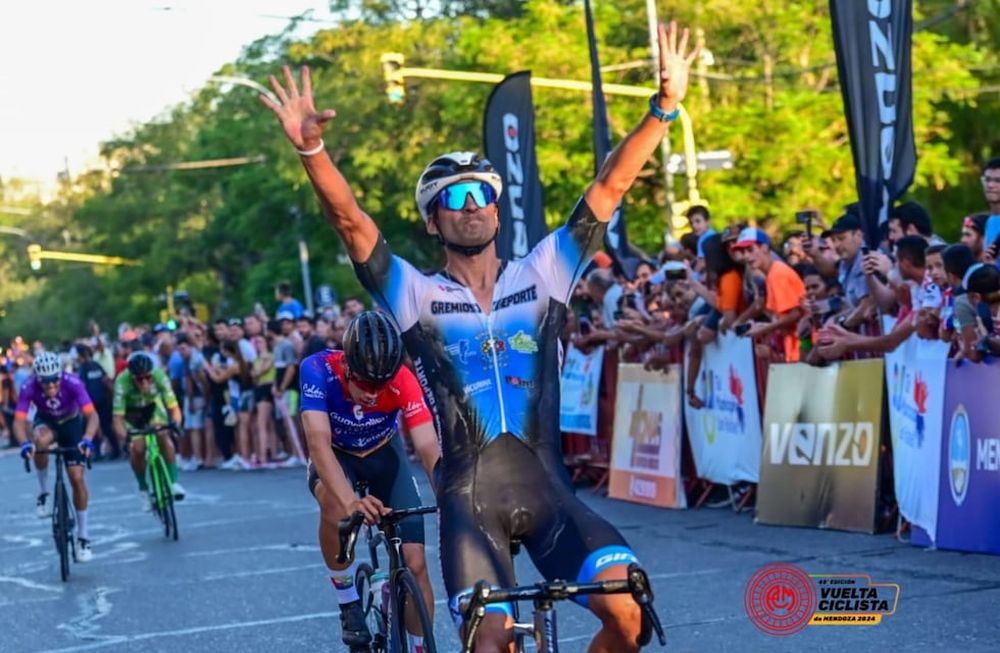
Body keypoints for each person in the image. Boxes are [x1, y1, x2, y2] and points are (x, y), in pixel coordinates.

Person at [260, 20, 697, 651]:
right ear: (433, 222)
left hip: (551, 492)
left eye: (483, 194)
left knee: (628, 609)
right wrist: (311, 151)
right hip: (471, 505)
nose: (473, 204)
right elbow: (349, 221)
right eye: (456, 195)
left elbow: (610, 186)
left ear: (497, 210)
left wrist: (663, 108)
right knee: (492, 642)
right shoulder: (416, 295)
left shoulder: (544, 273)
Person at [300, 311, 440, 650]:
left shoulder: (403, 379)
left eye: (381, 384)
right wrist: (351, 502)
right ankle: (347, 599)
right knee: (335, 506)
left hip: (383, 454)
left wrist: (449, 496)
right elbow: (318, 442)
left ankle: (421, 647)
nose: (373, 394)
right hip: (337, 454)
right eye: (364, 383)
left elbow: (427, 447)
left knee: (416, 564)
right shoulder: (317, 369)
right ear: (347, 365)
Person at [14, 351, 99, 560]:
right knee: (40, 442)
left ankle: (83, 538)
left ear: (60, 377)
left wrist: (87, 439)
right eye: (46, 383)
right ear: (38, 380)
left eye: (54, 382)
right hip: (47, 422)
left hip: (71, 423)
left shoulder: (73, 383)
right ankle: (43, 493)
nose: (51, 387)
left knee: (77, 478)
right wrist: (24, 444)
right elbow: (18, 420)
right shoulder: (28, 386)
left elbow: (92, 415)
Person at [112, 353, 186, 510]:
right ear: (132, 377)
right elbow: (118, 419)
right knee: (138, 448)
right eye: (139, 379)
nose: (144, 382)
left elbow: (174, 407)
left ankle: (173, 483)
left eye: (147, 377)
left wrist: (175, 424)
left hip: (152, 409)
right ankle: (143, 489)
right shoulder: (121, 382)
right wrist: (126, 438)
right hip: (132, 414)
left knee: (163, 435)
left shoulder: (159, 375)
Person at [75, 344, 118, 460]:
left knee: (92, 426)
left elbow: (81, 387)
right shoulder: (97, 365)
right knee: (105, 426)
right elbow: (106, 382)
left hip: (91, 403)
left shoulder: (83, 368)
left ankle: (97, 452)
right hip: (103, 401)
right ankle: (116, 450)